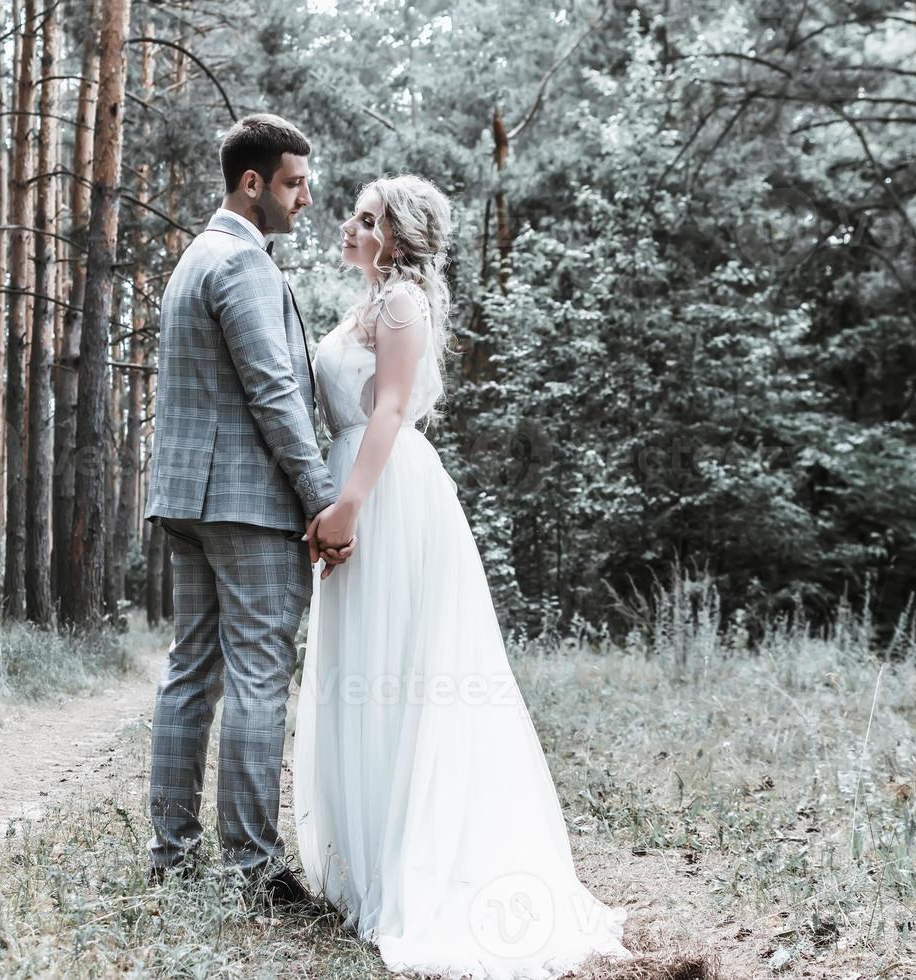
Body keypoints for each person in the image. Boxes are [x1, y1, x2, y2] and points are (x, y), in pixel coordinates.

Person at [292, 173, 633, 977]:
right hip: (355, 479)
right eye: (356, 212)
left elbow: (389, 410)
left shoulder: (401, 305)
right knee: (362, 669)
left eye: (368, 218)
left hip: (386, 492)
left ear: (399, 239)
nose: (349, 222)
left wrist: (348, 506)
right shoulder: (363, 305)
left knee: (401, 673)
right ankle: (368, 859)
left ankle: (421, 864)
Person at [142, 113, 351, 914]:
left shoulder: (194, 259)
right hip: (248, 506)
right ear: (252, 182)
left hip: (187, 500)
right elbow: (275, 394)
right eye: (295, 183)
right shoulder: (245, 264)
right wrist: (322, 500)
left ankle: (172, 855)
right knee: (260, 676)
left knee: (190, 672)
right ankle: (253, 872)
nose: (307, 198)